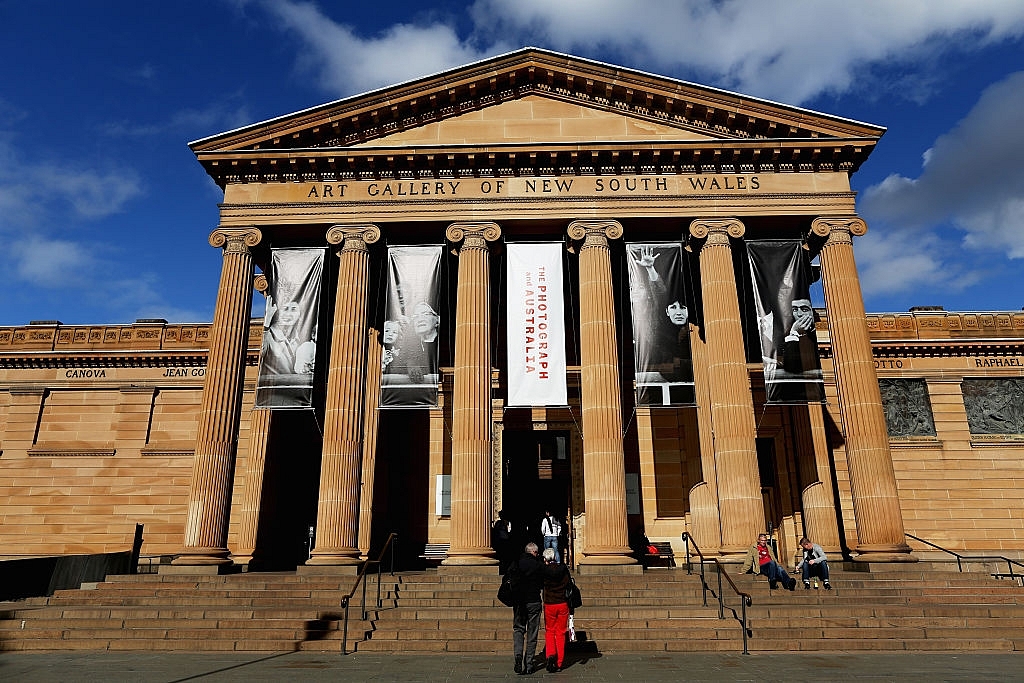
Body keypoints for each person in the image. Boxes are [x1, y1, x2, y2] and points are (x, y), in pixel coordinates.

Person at [510, 542, 544, 675]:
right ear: (534, 552)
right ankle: (529, 663)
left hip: (519, 602)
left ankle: (518, 656)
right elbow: (543, 582)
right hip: (533, 601)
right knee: (532, 632)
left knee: (518, 629)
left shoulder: (517, 563)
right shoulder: (538, 565)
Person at [541, 547, 570, 673]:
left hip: (549, 604)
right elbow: (569, 584)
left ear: (545, 559)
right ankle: (559, 663)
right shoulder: (563, 569)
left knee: (550, 631)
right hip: (562, 603)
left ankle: (550, 655)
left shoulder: (544, 571)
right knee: (561, 632)